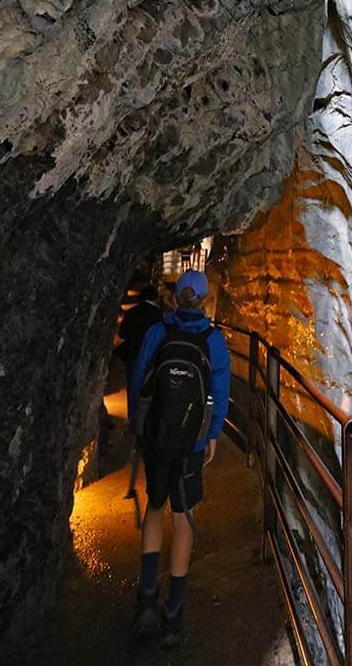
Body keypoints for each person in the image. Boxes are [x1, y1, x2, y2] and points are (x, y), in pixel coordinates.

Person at [128, 269, 230, 647]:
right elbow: (219, 392)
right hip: (192, 443)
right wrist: (213, 434)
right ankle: (173, 612)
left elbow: (140, 380)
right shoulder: (213, 340)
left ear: (175, 298)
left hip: (156, 439)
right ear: (203, 300)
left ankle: (147, 602)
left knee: (154, 508)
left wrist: (139, 429)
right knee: (183, 516)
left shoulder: (158, 332)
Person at [118, 285, 162, 388]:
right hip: (151, 356)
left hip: (132, 354)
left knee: (132, 385)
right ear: (155, 298)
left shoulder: (131, 313)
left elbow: (122, 334)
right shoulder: (158, 314)